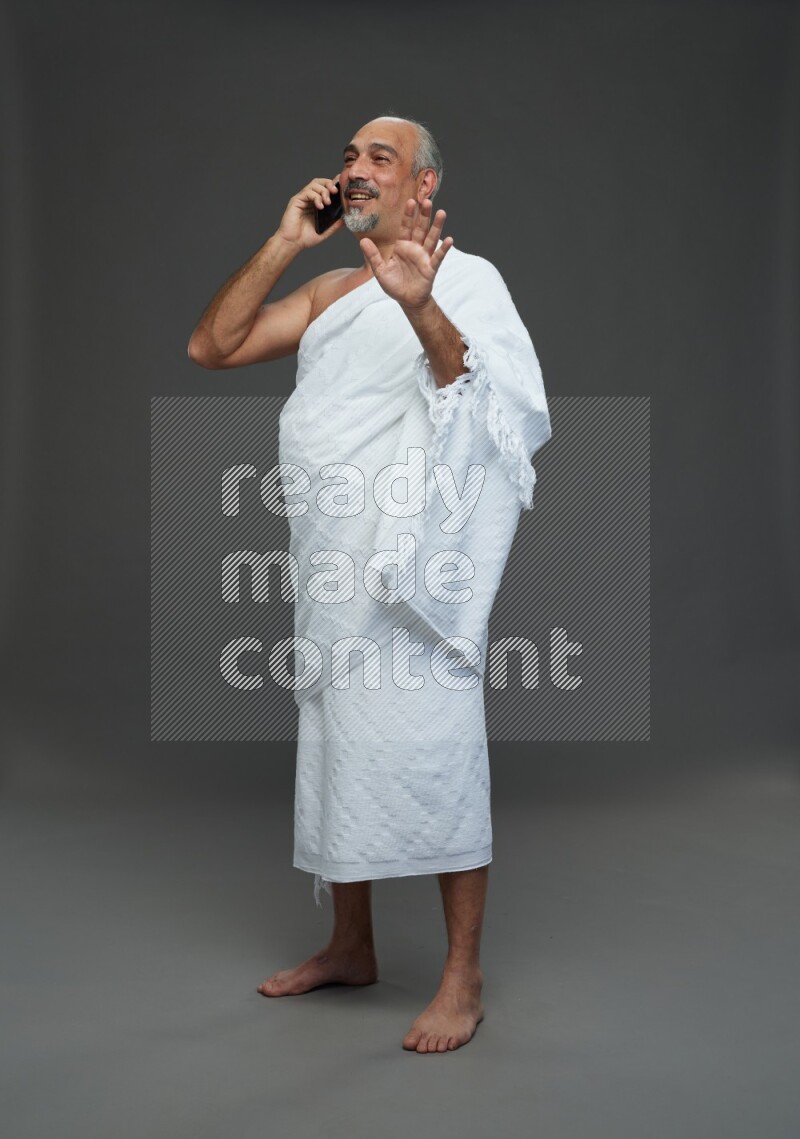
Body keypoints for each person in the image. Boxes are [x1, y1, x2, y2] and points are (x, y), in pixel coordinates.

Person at [187, 115, 551, 1054]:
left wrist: (420, 302)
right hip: (331, 555)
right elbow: (212, 347)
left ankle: (461, 977)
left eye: (377, 158)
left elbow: (487, 406)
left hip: (415, 566)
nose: (353, 170)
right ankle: (351, 943)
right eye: (348, 157)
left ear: (423, 188)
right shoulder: (328, 291)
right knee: (339, 741)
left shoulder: (469, 282)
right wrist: (283, 240)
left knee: (439, 748)